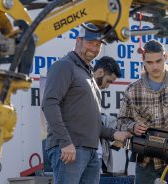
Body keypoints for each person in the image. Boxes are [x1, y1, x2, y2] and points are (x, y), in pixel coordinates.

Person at [41, 24, 131, 184]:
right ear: (78, 41)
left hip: (90, 152)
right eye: (90, 42)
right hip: (71, 150)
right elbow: (49, 104)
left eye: (98, 45)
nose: (94, 48)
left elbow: (91, 123)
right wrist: (66, 142)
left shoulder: (87, 72)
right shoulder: (65, 66)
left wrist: (114, 134)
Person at [117, 39, 168, 184]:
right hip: (145, 164)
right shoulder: (132, 90)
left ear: (165, 57)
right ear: (143, 61)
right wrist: (133, 126)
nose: (154, 66)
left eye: (158, 61)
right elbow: (121, 121)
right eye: (149, 62)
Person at [93, 56, 122, 173]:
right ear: (100, 72)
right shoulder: (83, 89)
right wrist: (115, 134)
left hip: (94, 156)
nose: (108, 86)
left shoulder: (95, 93)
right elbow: (90, 126)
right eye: (108, 81)